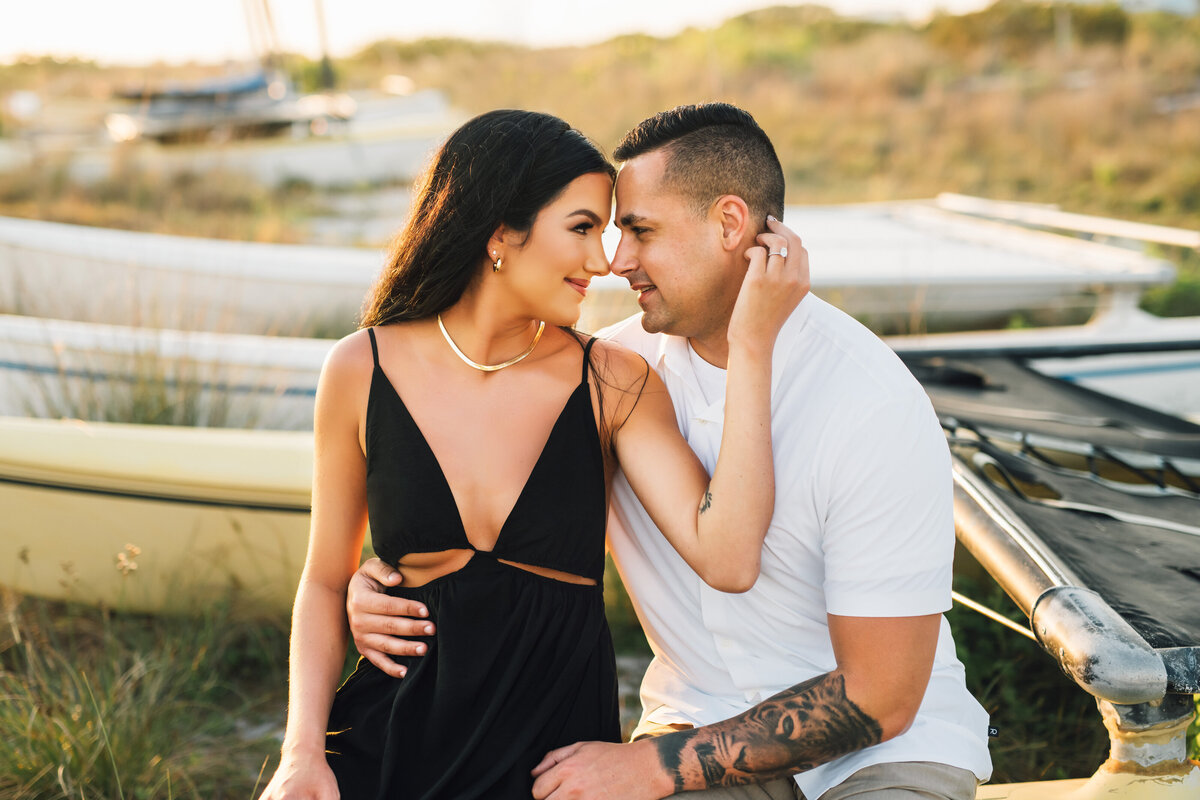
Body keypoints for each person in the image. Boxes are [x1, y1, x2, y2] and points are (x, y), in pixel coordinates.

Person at [347, 103, 994, 800]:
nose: (615, 261)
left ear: (729, 224)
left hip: (882, 756)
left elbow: (881, 699)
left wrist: (652, 767)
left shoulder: (871, 402)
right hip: (698, 724)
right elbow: (479, 499)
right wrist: (379, 585)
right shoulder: (611, 374)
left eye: (639, 230)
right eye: (606, 229)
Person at [257, 109, 807, 800]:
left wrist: (754, 347)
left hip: (551, 770)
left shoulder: (612, 382)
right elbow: (324, 583)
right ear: (499, 233)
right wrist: (301, 754)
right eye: (581, 228)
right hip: (384, 749)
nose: (603, 260)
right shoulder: (359, 368)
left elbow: (728, 557)